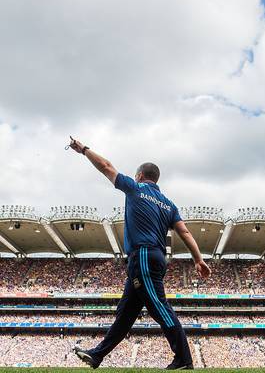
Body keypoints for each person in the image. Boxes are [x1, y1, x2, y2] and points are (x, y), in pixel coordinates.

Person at [67, 137, 211, 370]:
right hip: (155, 257)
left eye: (136, 176)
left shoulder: (135, 188)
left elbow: (106, 167)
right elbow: (183, 231)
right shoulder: (168, 203)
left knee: (159, 307)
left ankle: (184, 360)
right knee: (125, 313)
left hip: (143, 256)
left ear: (141, 176)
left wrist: (83, 149)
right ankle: (97, 355)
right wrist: (198, 259)